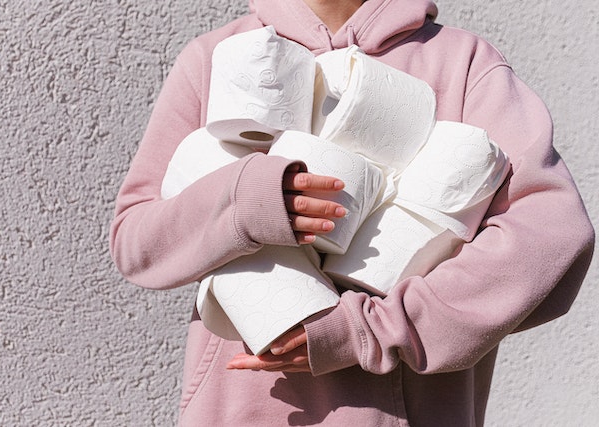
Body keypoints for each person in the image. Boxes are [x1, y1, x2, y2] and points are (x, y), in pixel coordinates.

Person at [109, 0, 595, 425]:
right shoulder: (219, 59)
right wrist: (251, 200)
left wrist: (372, 330)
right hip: (237, 411)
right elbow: (136, 240)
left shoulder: (464, 63)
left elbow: (549, 234)